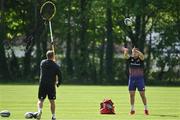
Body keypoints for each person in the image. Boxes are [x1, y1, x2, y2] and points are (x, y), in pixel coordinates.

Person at [36, 50, 62, 120]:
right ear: (53, 56)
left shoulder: (42, 63)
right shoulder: (55, 65)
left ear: (46, 56)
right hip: (51, 85)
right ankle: (53, 116)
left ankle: (39, 111)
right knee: (52, 101)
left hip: (42, 84)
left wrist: (53, 62)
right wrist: (58, 83)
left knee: (40, 100)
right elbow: (59, 75)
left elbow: (49, 63)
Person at [124, 47, 149, 115]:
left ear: (138, 53)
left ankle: (146, 109)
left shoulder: (140, 59)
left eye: (135, 52)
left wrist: (138, 51)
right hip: (131, 79)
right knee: (131, 95)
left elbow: (143, 56)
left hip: (140, 79)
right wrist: (125, 51)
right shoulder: (130, 59)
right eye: (133, 52)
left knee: (142, 95)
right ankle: (132, 110)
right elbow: (126, 56)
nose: (134, 53)